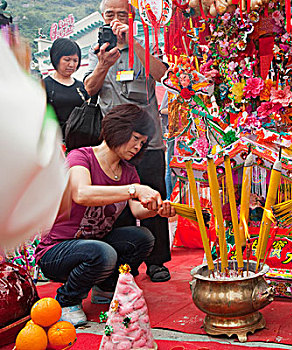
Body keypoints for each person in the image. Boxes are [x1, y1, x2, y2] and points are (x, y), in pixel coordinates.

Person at [35, 104, 178, 327]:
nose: (138, 147)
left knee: (142, 238)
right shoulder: (80, 157)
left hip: (94, 246)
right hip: (56, 251)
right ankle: (66, 300)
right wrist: (134, 189)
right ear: (118, 129)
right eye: (135, 138)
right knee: (103, 252)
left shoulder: (128, 171)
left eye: (142, 143)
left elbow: (137, 210)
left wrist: (157, 208)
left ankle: (106, 287)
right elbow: (81, 193)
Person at [84, 0, 171, 282]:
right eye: (110, 14)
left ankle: (157, 261)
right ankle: (125, 263)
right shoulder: (97, 50)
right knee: (116, 205)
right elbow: (89, 89)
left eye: (122, 14)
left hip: (149, 141)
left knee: (153, 199)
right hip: (113, 147)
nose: (115, 19)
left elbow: (162, 75)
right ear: (102, 16)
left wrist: (134, 43)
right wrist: (102, 63)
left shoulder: (145, 43)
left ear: (132, 17)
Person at [44, 38, 88, 137]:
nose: (71, 64)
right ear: (56, 59)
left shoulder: (81, 86)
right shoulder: (44, 85)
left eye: (75, 60)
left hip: (79, 141)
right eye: (67, 60)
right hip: (54, 141)